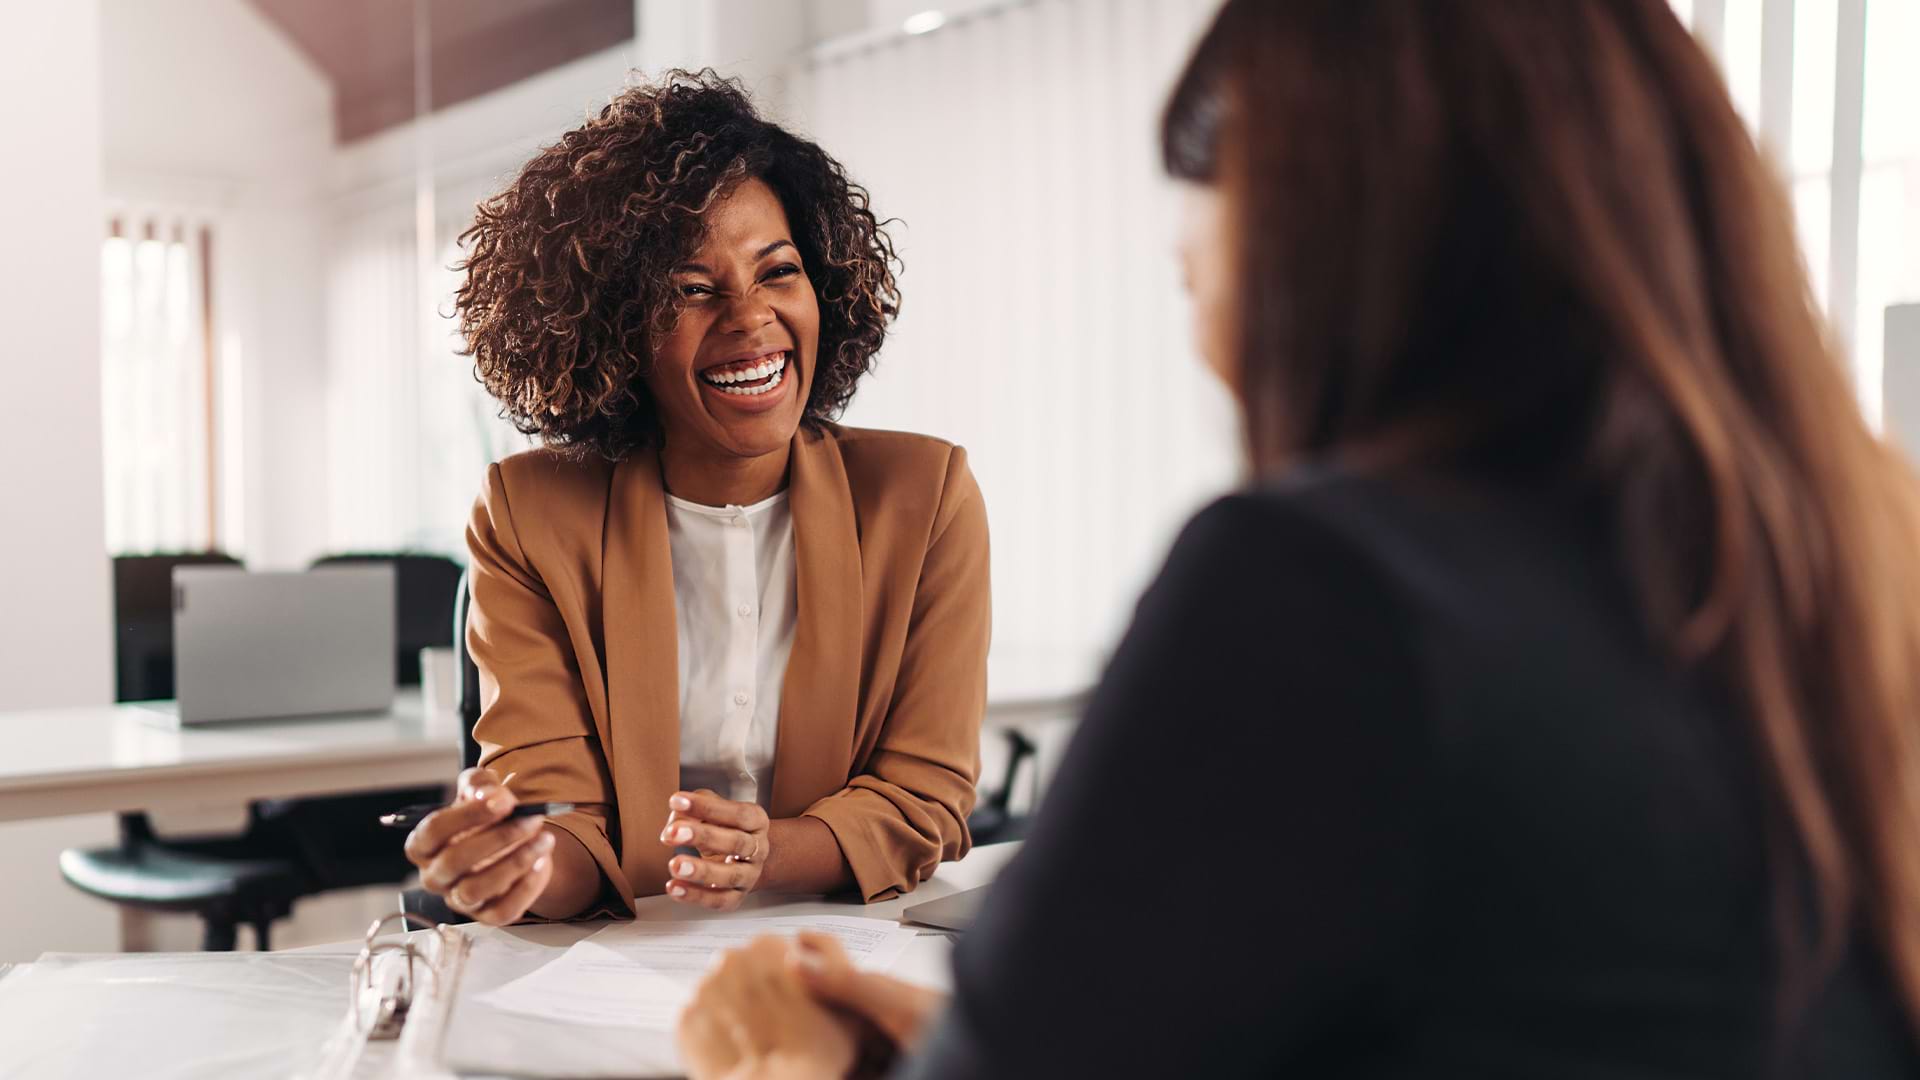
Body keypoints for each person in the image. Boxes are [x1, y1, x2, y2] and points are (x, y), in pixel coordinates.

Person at [674, 0, 1920, 1075]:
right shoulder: (1835, 571)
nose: (1193, 300)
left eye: (1196, 245)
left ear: (1319, 243)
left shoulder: (1324, 592)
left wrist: (790, 1063)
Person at [401, 71, 990, 924]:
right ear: (614, 327)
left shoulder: (924, 496)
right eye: (690, 288)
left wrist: (765, 855)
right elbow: (563, 822)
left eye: (777, 271)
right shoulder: (529, 513)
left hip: (839, 939)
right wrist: (517, 863)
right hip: (614, 956)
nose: (749, 319)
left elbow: (923, 797)